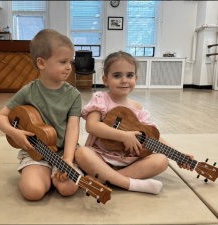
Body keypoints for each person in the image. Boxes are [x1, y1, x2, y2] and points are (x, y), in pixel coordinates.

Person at [75, 51, 194, 195]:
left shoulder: (138, 108)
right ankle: (131, 183)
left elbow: (153, 137)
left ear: (136, 78)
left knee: (162, 160)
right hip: (101, 157)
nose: (124, 80)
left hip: (130, 161)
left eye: (129, 75)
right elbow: (92, 126)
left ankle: (106, 179)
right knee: (81, 153)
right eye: (117, 75)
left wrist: (177, 153)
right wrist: (123, 136)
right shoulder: (101, 99)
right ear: (105, 80)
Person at [0, 29, 83, 201]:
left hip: (64, 151)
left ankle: (51, 174)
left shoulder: (74, 95)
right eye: (63, 61)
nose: (69, 67)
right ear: (41, 63)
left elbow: (73, 128)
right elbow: (0, 117)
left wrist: (67, 159)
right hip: (34, 150)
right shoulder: (28, 91)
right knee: (32, 192)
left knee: (68, 188)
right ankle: (41, 174)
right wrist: (14, 133)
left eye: (70, 62)